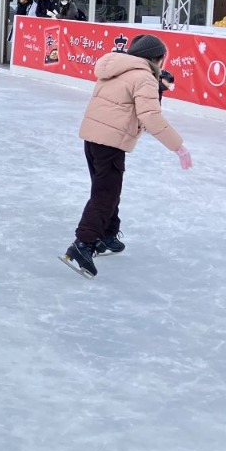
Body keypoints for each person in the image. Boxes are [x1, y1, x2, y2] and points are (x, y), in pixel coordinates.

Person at [62, 34, 191, 279]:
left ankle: (108, 235)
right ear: (156, 58)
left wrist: (158, 89)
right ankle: (83, 243)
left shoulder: (116, 68)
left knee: (108, 189)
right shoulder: (144, 77)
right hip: (110, 142)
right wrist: (179, 147)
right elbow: (150, 117)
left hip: (93, 137)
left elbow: (125, 102)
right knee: (105, 193)